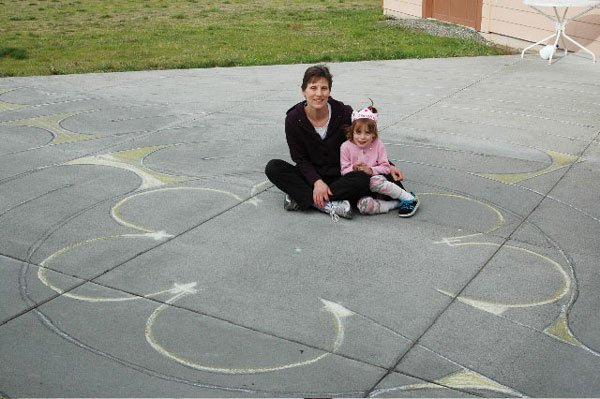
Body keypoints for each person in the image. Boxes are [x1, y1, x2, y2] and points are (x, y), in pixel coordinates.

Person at [264, 64, 406, 220]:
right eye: (313, 88)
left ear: (329, 91)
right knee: (274, 168)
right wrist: (317, 182)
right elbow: (300, 159)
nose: (318, 94)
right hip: (311, 176)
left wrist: (389, 165)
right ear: (303, 91)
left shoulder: (343, 113)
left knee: (362, 179)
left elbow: (364, 142)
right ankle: (327, 204)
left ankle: (303, 198)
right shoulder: (293, 119)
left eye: (324, 88)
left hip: (341, 176)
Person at [340, 102, 419, 217]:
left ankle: (408, 198)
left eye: (367, 133)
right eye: (358, 132)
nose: (362, 137)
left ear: (373, 134)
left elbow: (385, 167)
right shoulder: (346, 147)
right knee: (364, 206)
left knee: (374, 181)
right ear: (352, 132)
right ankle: (395, 204)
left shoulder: (378, 145)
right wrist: (353, 168)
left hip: (378, 182)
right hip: (361, 187)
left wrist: (371, 170)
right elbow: (344, 171)